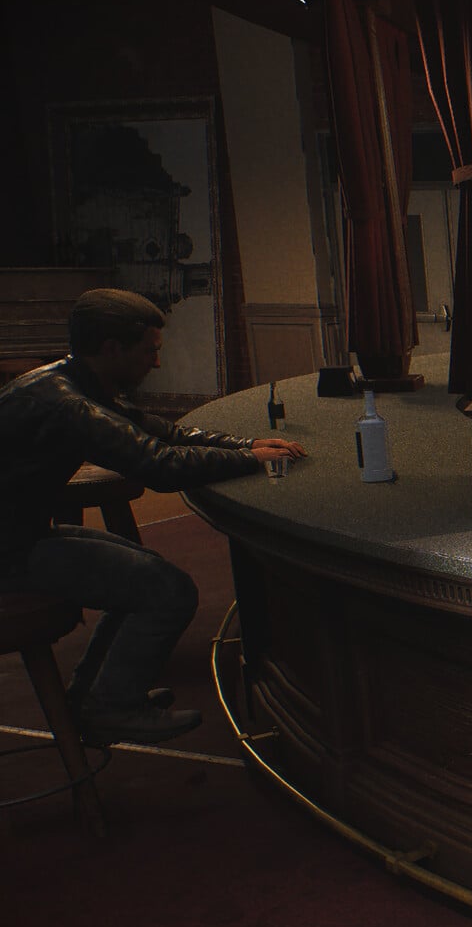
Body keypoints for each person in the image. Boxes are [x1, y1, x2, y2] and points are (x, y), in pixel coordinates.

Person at [0, 288, 306, 744]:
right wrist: (250, 460)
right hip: (10, 554)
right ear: (112, 349)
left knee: (147, 570)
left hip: (20, 535)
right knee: (168, 590)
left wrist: (247, 445)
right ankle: (112, 707)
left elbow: (163, 433)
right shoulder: (68, 405)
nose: (157, 363)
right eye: (150, 351)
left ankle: (94, 699)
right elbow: (160, 466)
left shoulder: (66, 379)